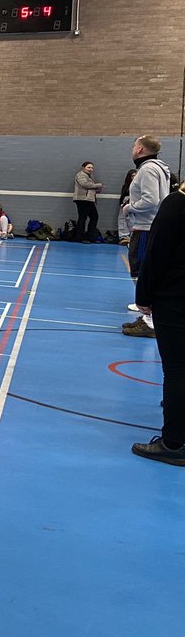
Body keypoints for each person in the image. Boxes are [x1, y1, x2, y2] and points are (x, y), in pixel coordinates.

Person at [130, 179, 185, 465]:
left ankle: (174, 443)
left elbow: (156, 254)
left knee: (176, 370)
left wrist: (144, 296)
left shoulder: (177, 204)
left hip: (175, 297)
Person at [123, 135, 173, 338]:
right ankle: (147, 317)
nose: (133, 149)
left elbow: (151, 200)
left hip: (146, 226)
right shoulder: (158, 168)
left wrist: (129, 207)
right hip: (149, 225)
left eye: (135, 145)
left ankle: (149, 320)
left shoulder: (148, 169)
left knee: (140, 269)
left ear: (141, 149)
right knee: (143, 269)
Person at [72, 161, 104, 243]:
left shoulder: (89, 176)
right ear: (83, 168)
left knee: (94, 217)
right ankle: (81, 237)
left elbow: (88, 188)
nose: (91, 169)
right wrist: (98, 185)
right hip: (82, 199)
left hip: (88, 199)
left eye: (92, 168)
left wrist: (96, 191)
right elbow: (85, 184)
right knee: (83, 218)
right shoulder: (81, 175)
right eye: (89, 167)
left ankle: (90, 236)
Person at [118, 168, 138, 245]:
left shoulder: (138, 185)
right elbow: (123, 196)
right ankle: (123, 236)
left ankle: (132, 236)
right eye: (132, 176)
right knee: (122, 219)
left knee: (132, 219)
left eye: (136, 176)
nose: (134, 177)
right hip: (125, 202)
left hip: (134, 203)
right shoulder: (126, 186)